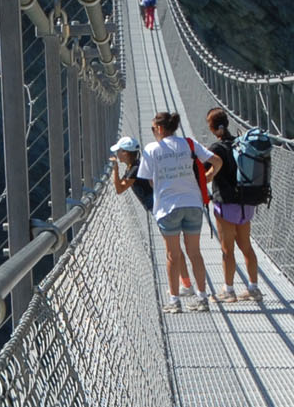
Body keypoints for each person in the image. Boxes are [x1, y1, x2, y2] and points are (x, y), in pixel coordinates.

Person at [136, 111, 215, 312]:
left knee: (172, 255)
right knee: (195, 253)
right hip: (193, 203)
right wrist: (208, 177)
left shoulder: (151, 149)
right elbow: (217, 161)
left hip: (167, 207)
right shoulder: (189, 143)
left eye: (153, 129)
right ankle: (202, 298)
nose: (153, 132)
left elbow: (147, 179)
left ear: (160, 128)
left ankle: (174, 301)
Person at [205, 107, 259, 304]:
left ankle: (228, 290)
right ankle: (253, 289)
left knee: (227, 250)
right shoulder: (241, 144)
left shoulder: (216, 148)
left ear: (213, 128)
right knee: (246, 246)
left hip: (226, 205)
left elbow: (204, 174)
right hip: (246, 204)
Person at [111, 136, 152, 212]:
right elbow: (121, 184)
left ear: (125, 153)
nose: (117, 154)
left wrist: (115, 170)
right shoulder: (133, 166)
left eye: (118, 151)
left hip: (155, 205)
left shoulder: (134, 170)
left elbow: (119, 189)